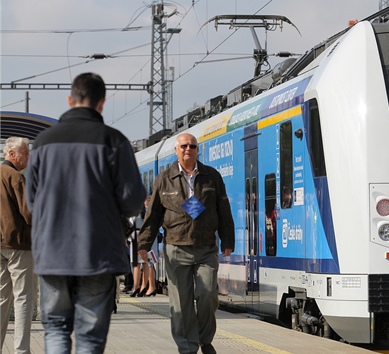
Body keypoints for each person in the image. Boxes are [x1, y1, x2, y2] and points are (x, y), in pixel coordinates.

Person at [26, 72, 146, 354]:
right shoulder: (114, 141)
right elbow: (132, 201)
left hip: (52, 253)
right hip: (98, 254)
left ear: (70, 100)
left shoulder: (42, 143)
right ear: (101, 103)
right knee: (90, 337)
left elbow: (31, 202)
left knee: (55, 329)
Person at [137, 133, 235, 354]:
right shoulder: (164, 178)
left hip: (206, 247)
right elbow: (153, 215)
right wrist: (144, 243)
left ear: (198, 149)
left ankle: (205, 340)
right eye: (184, 146)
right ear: (176, 149)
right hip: (176, 247)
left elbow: (223, 211)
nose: (188, 149)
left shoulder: (212, 177)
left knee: (208, 294)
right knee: (181, 303)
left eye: (192, 146)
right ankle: (187, 347)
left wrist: (228, 240)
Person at [1, 137, 34, 354]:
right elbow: (30, 213)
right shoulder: (15, 177)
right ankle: (21, 351)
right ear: (12, 154)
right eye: (25, 153)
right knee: (23, 299)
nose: (28, 157)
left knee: (1, 299)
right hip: (18, 246)